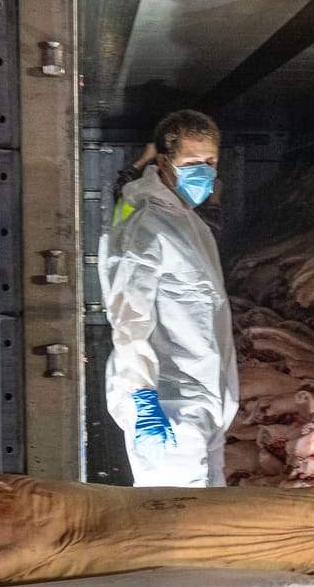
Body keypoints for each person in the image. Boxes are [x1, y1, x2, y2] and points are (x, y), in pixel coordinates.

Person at [98, 108, 238, 487]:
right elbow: (128, 320)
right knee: (181, 529)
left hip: (205, 402)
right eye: (193, 162)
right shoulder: (148, 225)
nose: (204, 172)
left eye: (210, 162)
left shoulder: (188, 221)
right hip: (168, 406)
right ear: (164, 161)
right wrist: (143, 399)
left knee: (212, 523)